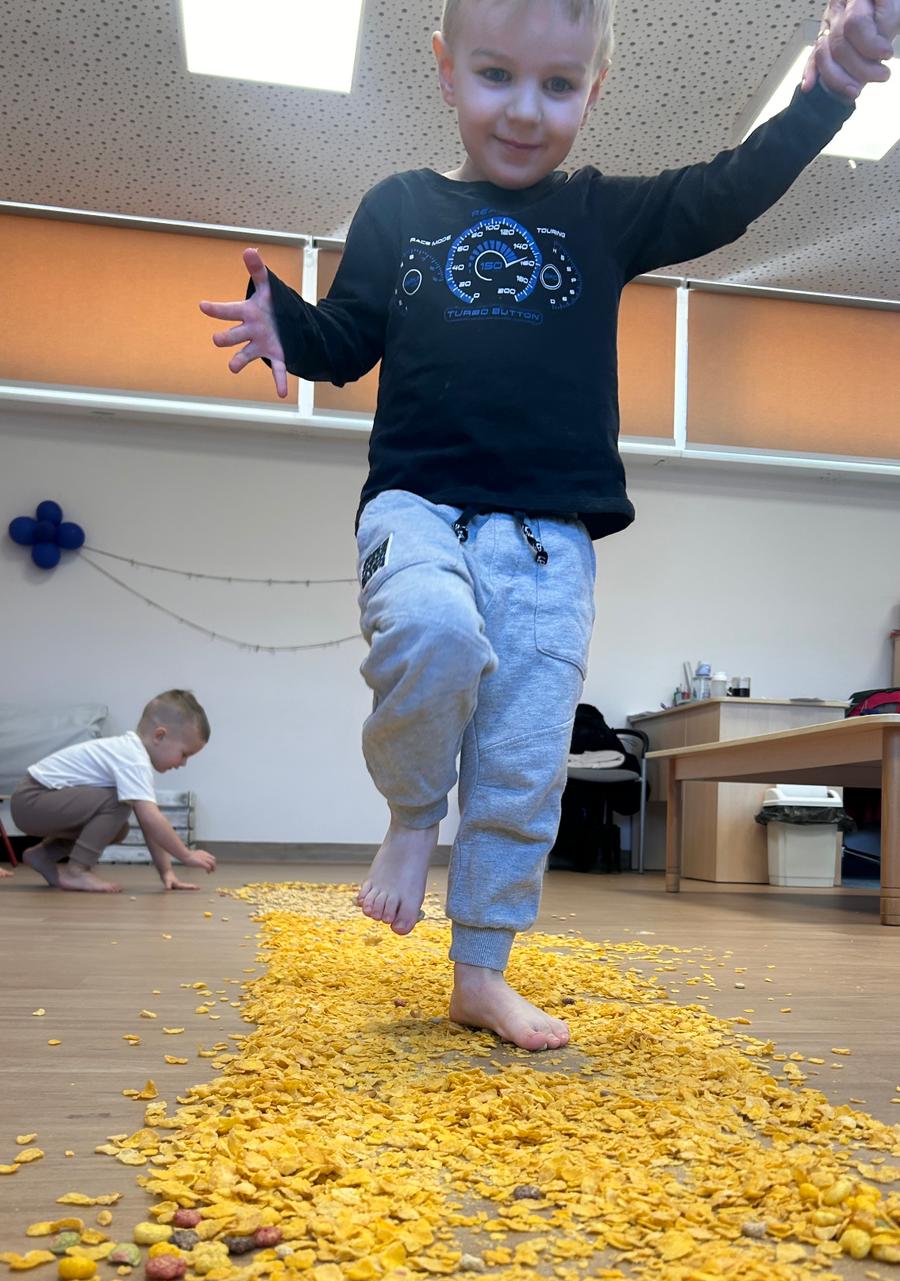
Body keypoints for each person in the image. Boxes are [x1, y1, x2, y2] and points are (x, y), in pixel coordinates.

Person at [200, 0, 897, 1049]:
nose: (525, 110)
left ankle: (479, 973)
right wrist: (285, 325)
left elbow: (729, 192)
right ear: (446, 70)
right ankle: (411, 817)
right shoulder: (401, 206)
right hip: (419, 508)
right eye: (496, 75)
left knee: (524, 764)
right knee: (432, 634)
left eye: (558, 85)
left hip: (547, 542)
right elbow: (346, 337)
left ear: (593, 91)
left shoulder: (599, 215)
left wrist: (829, 89)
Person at [11, 690, 216, 894]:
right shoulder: (133, 759)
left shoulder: (132, 755)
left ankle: (43, 855)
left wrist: (167, 872)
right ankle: (77, 870)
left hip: (33, 802)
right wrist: (186, 854)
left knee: (119, 829)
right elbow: (151, 819)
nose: (183, 763)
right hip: (31, 799)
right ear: (159, 736)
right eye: (184, 754)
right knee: (118, 802)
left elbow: (149, 826)